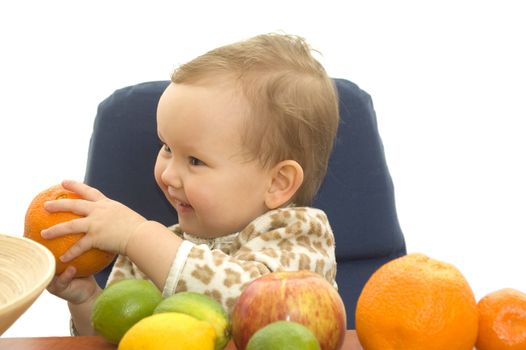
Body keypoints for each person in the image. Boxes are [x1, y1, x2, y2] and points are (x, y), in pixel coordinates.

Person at [43, 33, 340, 335]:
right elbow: (120, 335)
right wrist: (87, 300)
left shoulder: (300, 235)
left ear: (277, 183)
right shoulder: (151, 250)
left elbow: (252, 303)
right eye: (167, 148)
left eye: (195, 161)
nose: (169, 175)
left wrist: (138, 235)